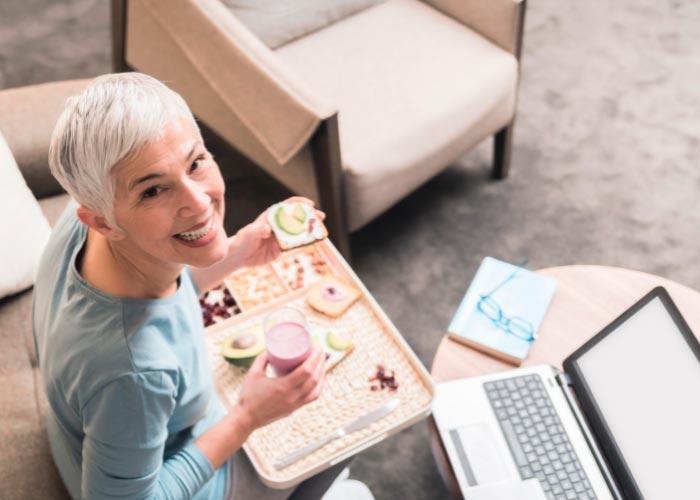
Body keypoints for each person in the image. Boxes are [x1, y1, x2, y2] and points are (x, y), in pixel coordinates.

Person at [32, 72, 358, 500]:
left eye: (196, 162)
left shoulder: (85, 225)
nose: (200, 202)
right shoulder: (135, 373)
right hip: (180, 474)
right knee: (344, 434)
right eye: (153, 191)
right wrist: (246, 416)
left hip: (116, 430)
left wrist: (238, 249)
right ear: (101, 220)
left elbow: (156, 286)